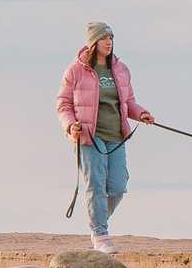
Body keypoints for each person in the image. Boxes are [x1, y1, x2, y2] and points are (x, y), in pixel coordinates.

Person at [55, 22, 154, 254]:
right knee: (96, 185)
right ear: (93, 43)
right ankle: (100, 234)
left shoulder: (121, 69)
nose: (108, 42)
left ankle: (96, 217)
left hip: (116, 136)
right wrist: (70, 126)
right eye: (103, 38)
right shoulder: (75, 71)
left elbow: (128, 102)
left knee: (118, 186)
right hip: (90, 137)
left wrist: (141, 113)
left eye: (111, 38)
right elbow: (63, 105)